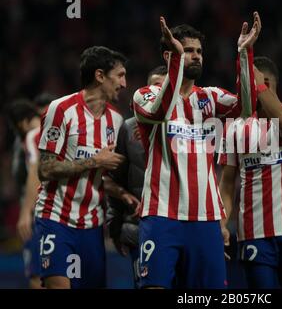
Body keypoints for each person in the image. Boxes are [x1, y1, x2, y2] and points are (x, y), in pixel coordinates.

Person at [132, 12, 260, 289]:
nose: (196, 56)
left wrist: (244, 54)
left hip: (206, 217)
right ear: (169, 56)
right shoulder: (145, 95)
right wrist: (176, 60)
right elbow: (161, 111)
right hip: (162, 213)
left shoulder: (210, 97)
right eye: (187, 51)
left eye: (199, 51)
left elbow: (248, 108)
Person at [218, 55, 282, 289]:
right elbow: (227, 184)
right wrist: (221, 224)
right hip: (254, 235)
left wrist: (257, 84)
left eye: (262, 86)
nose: (255, 93)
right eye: (251, 87)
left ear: (272, 85)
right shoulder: (234, 128)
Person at [35, 46, 128, 289]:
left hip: (92, 226)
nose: (124, 83)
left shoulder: (116, 121)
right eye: (119, 75)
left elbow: (103, 178)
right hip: (56, 217)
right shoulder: (61, 109)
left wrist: (122, 194)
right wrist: (95, 161)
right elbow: (44, 169)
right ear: (99, 75)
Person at [105, 65, 167, 288]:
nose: (157, 95)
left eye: (163, 88)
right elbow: (116, 178)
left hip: (179, 225)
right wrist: (115, 225)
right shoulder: (128, 129)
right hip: (139, 228)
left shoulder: (188, 128)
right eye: (153, 88)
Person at [6, 99, 43, 289]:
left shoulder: (32, 137)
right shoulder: (57, 131)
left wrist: (25, 212)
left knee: (36, 276)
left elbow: (33, 177)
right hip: (66, 215)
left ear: (21, 123)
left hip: (39, 214)